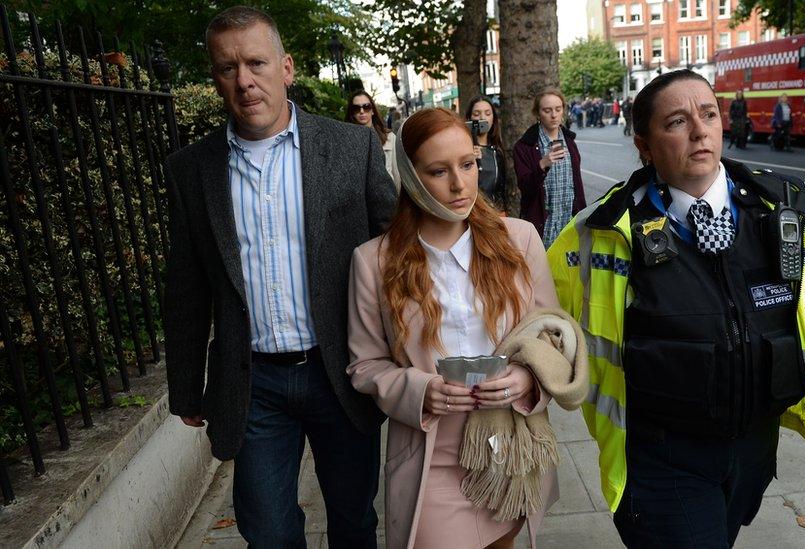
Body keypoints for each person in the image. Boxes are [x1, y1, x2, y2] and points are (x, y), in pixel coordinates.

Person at [546, 70, 805, 548]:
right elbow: (541, 317)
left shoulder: (784, 212)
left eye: (708, 115)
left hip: (753, 450)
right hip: (658, 457)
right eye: (677, 122)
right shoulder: (598, 232)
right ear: (643, 144)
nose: (700, 131)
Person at [163, 7, 396, 548]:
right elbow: (186, 285)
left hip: (340, 370)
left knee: (354, 518)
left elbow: (396, 254)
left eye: (256, 63)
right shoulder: (191, 170)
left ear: (286, 68)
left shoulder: (349, 148)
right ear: (215, 77)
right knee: (267, 532)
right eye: (227, 68)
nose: (244, 81)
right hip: (253, 382)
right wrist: (185, 386)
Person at [346, 107, 568, 549]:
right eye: (438, 171)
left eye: (468, 164)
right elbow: (365, 365)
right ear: (410, 177)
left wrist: (525, 377)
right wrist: (418, 389)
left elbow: (552, 333)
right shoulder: (373, 260)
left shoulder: (519, 239)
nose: (460, 184)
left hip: (509, 447)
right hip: (433, 458)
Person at [514, 87, 586, 248]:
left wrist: (582, 215)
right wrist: (542, 165)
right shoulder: (525, 146)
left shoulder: (569, 142)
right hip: (542, 224)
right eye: (547, 110)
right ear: (538, 113)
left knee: (568, 271)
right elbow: (525, 188)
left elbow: (577, 185)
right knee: (541, 271)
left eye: (558, 109)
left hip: (569, 220)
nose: (554, 115)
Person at [466, 95, 508, 210]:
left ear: (493, 118)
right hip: (474, 211)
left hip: (496, 211)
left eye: (487, 113)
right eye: (476, 114)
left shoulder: (497, 150)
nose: (482, 118)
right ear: (469, 118)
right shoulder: (464, 150)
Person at [346, 90, 398, 179]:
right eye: (356, 108)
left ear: (372, 110)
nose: (362, 111)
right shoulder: (346, 141)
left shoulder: (390, 138)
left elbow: (397, 175)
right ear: (352, 113)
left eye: (366, 107)